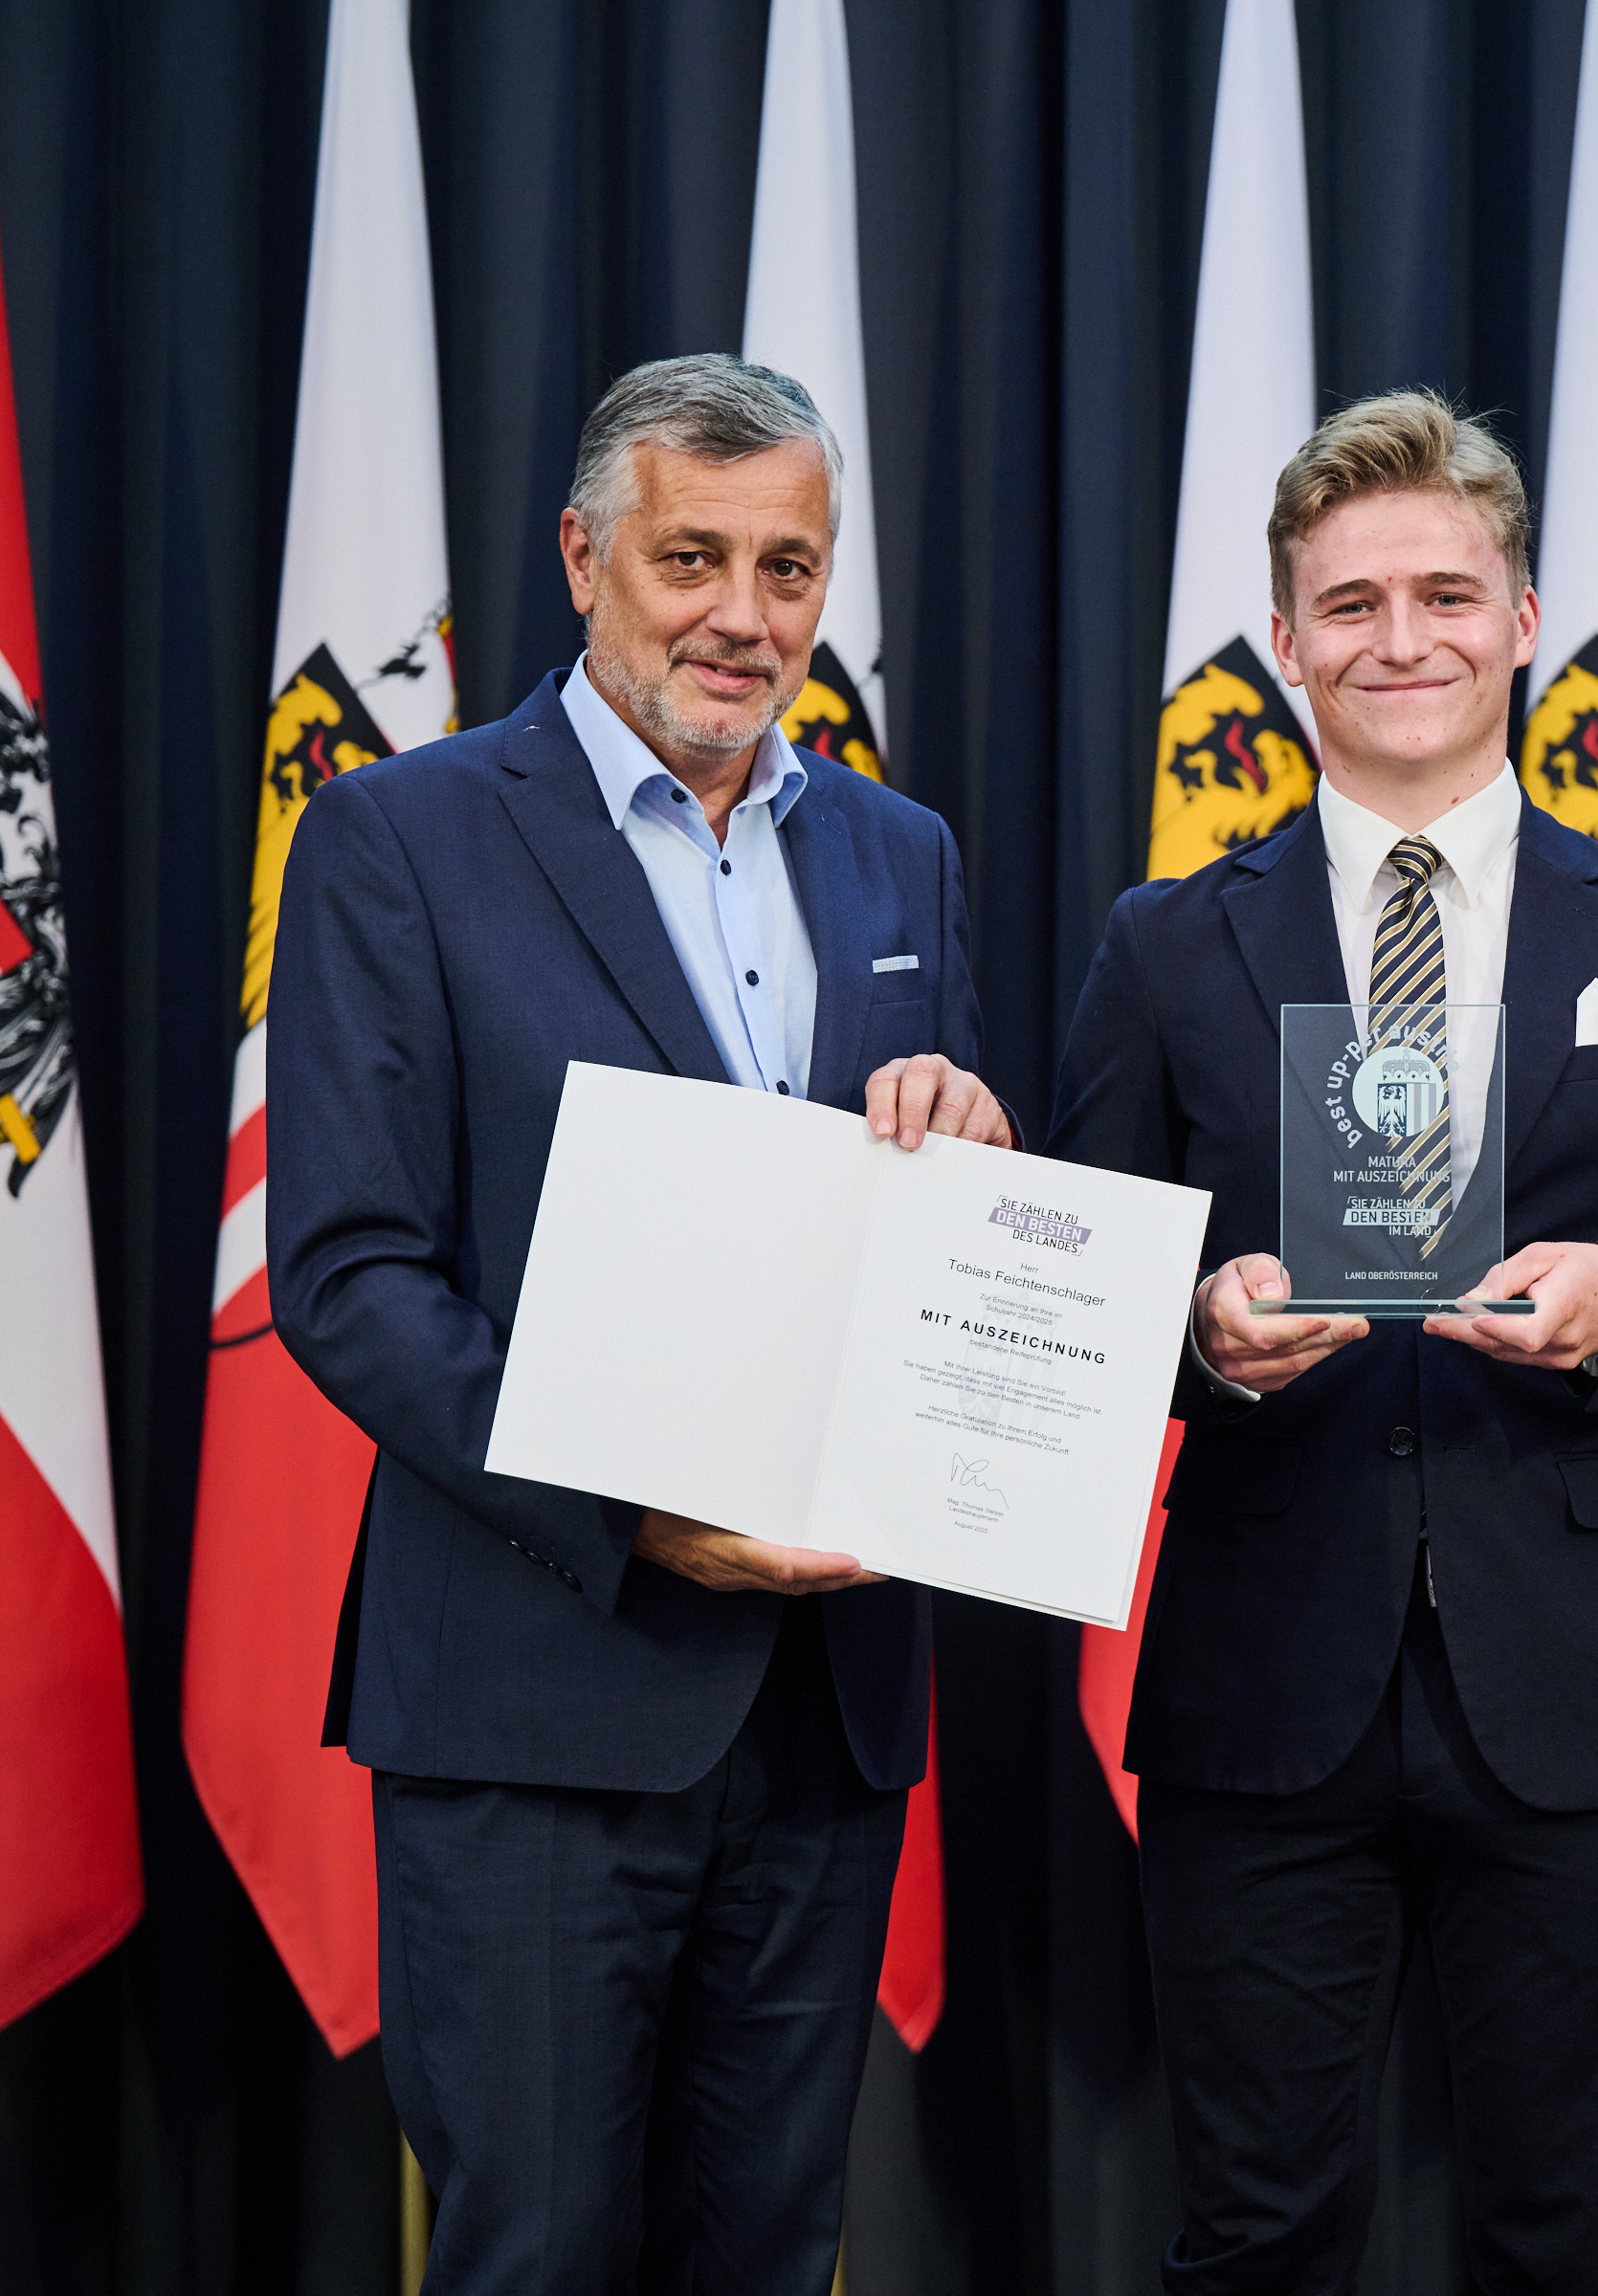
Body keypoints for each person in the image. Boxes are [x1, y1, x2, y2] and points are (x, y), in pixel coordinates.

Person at [1048, 388, 1598, 2294]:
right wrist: (1199, 1333)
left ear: (1523, 617)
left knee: (1576, 2242)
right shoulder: (1167, 944)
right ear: (1283, 639)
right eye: (1350, 604)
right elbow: (1070, 1285)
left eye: (1443, 595)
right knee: (1255, 2241)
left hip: (1574, 1695)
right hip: (1261, 1693)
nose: (1398, 640)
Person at [270, 354, 1013, 2292]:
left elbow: (920, 1225)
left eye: (790, 567)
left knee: (767, 2255)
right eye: (695, 558)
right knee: (537, 2258)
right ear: (586, 555)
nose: (744, 615)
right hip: (536, 1697)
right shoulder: (399, 838)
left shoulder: (901, 853)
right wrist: (636, 1511)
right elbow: (348, 1276)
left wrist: (972, 1145)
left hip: (827, 1711)